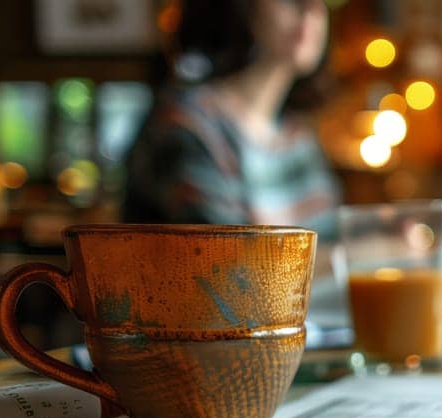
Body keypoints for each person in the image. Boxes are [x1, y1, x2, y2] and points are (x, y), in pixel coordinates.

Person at [121, 0, 340, 239]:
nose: (311, 10)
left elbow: (332, 248)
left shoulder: (297, 137)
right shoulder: (187, 124)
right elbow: (223, 260)